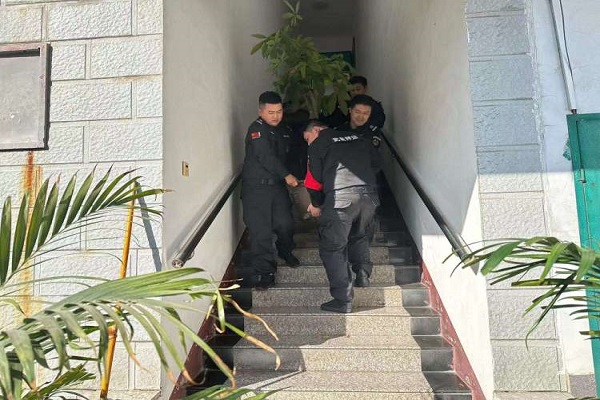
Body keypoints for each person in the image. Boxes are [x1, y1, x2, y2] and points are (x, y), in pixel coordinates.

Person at [303, 120, 381, 313]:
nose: (308, 142)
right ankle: (362, 274)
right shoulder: (359, 138)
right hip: (369, 196)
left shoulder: (318, 143)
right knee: (359, 234)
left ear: (316, 130)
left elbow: (313, 182)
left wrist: (317, 204)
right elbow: (377, 164)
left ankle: (343, 299)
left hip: (341, 199)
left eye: (307, 138)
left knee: (333, 248)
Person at [241, 91, 301, 290]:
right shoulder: (256, 130)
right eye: (271, 112)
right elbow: (265, 156)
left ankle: (285, 250)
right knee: (261, 232)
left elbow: (291, 155)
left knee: (285, 223)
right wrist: (287, 175)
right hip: (256, 189)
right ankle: (264, 272)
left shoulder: (283, 131)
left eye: (279, 111)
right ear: (261, 111)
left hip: (277, 187)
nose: (276, 116)